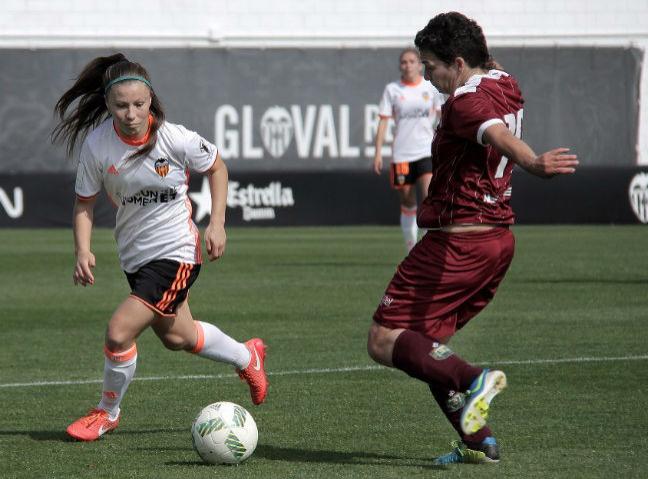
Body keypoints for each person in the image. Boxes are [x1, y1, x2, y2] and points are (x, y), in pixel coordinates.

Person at [366, 12, 578, 465]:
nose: (427, 76)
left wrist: (533, 163)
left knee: (384, 339)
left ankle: (477, 379)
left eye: (432, 66)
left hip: (457, 244)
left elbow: (496, 134)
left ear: (458, 63)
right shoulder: (505, 81)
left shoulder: (463, 104)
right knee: (425, 347)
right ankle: (480, 442)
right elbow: (490, 93)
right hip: (495, 243)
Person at [51, 53, 269, 442]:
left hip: (177, 252)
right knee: (178, 338)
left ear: (151, 100)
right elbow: (84, 203)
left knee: (119, 332)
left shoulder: (174, 137)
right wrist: (82, 250)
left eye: (139, 104)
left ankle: (106, 413)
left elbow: (217, 167)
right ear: (107, 104)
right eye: (121, 106)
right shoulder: (97, 145)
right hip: (135, 257)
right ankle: (245, 355)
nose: (131, 113)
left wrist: (217, 222)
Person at [373, 47, 444, 252]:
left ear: (419, 64)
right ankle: (410, 247)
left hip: (425, 151)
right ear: (400, 66)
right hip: (402, 154)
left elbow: (442, 119)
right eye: (404, 62)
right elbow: (383, 122)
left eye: (412, 61)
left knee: (427, 196)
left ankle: (428, 245)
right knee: (407, 200)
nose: (408, 65)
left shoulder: (430, 88)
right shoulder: (392, 90)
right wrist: (378, 152)